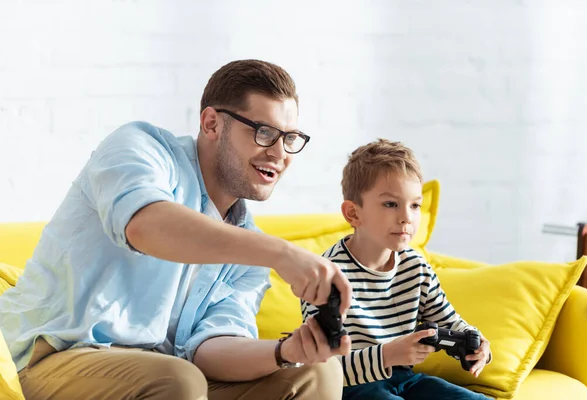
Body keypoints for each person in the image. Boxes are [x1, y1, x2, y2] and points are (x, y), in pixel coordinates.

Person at [0, 59, 353, 400]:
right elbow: (147, 225)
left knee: (317, 373)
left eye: (289, 138)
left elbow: (209, 348)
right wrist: (281, 253)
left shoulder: (250, 249)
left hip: (166, 375)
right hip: (50, 358)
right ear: (212, 123)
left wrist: (284, 351)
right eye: (264, 133)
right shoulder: (140, 148)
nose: (280, 153)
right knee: (177, 379)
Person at [301, 139, 492, 400]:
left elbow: (451, 322)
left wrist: (478, 344)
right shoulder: (326, 277)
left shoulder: (416, 267)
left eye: (415, 205)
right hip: (348, 388)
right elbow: (319, 369)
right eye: (391, 204)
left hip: (405, 379)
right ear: (353, 214)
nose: (407, 217)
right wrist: (387, 355)